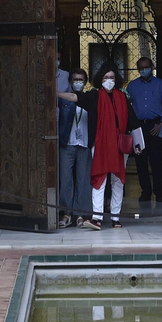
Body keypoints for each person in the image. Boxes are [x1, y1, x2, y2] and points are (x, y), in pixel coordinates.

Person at [59, 66, 138, 229]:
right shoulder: (94, 96)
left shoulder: (122, 97)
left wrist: (138, 144)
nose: (109, 80)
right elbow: (75, 97)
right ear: (100, 80)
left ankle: (116, 218)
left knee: (117, 182)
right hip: (100, 145)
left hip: (119, 146)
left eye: (112, 77)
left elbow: (133, 121)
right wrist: (55, 93)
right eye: (105, 77)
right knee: (99, 179)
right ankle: (97, 218)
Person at [124, 56, 162, 203]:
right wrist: (130, 127)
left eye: (146, 67)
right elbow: (128, 106)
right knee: (140, 161)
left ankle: (159, 192)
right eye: (140, 68)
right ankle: (146, 192)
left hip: (156, 126)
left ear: (151, 66)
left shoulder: (161, 84)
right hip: (138, 127)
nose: (144, 70)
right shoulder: (132, 86)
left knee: (157, 161)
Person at [55, 68, 93, 228]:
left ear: (85, 82)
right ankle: (66, 213)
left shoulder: (90, 99)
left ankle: (79, 214)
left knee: (83, 180)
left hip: (84, 144)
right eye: (75, 79)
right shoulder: (64, 99)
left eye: (81, 79)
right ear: (70, 82)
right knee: (65, 180)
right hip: (67, 143)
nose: (78, 82)